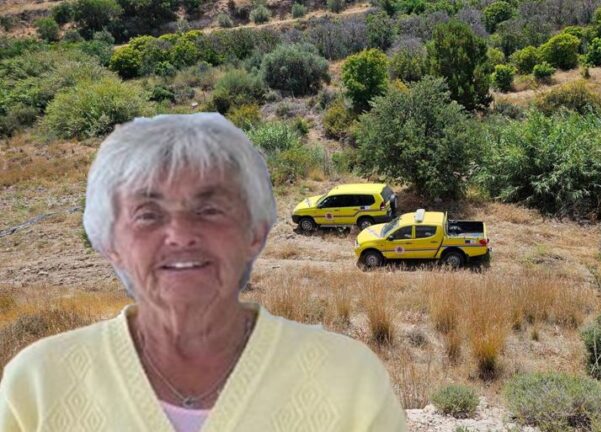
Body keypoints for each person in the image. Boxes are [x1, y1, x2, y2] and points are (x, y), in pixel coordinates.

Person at [0, 113, 407, 431]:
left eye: (209, 209)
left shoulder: (349, 381)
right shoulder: (37, 384)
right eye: (147, 213)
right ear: (110, 243)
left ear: (255, 232)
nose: (180, 236)